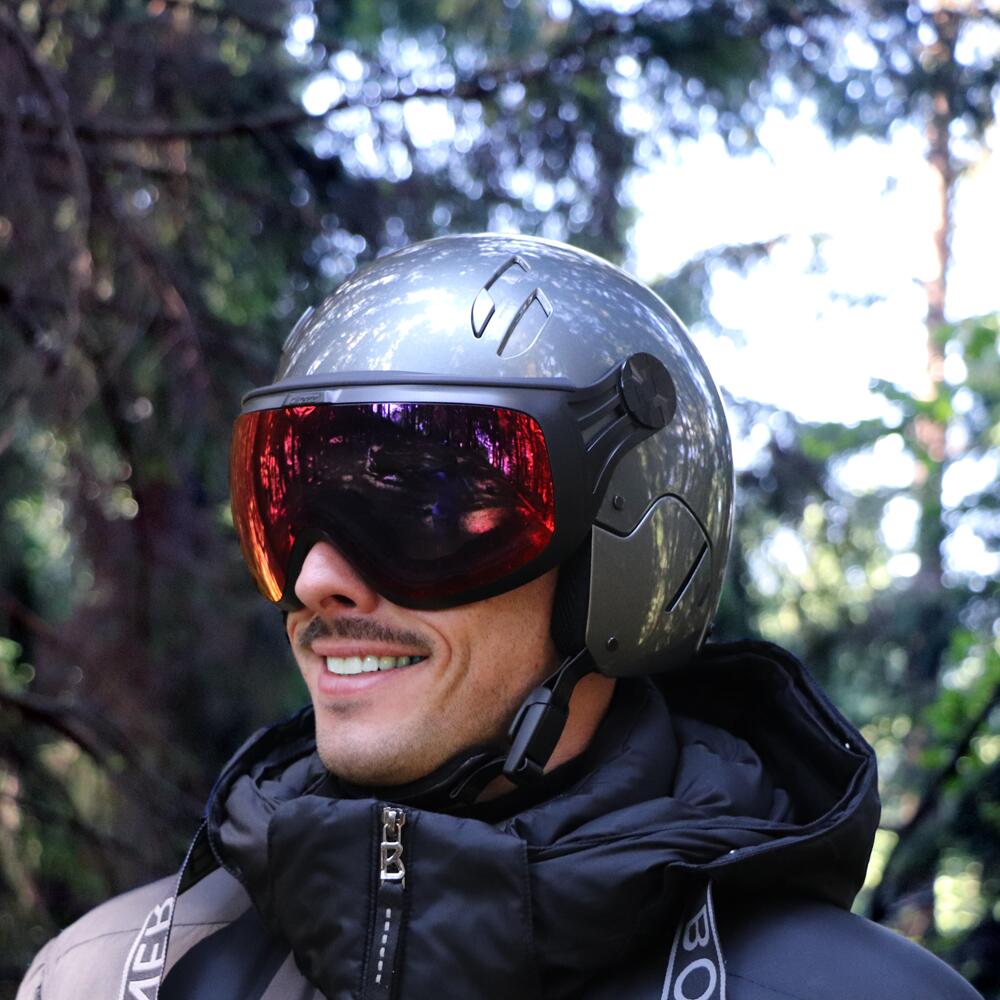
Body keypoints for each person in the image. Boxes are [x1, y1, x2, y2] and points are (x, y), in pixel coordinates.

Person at [18, 234, 981, 1000]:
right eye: (291, 507)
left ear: (621, 561)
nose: (316, 579)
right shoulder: (107, 978)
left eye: (425, 510)